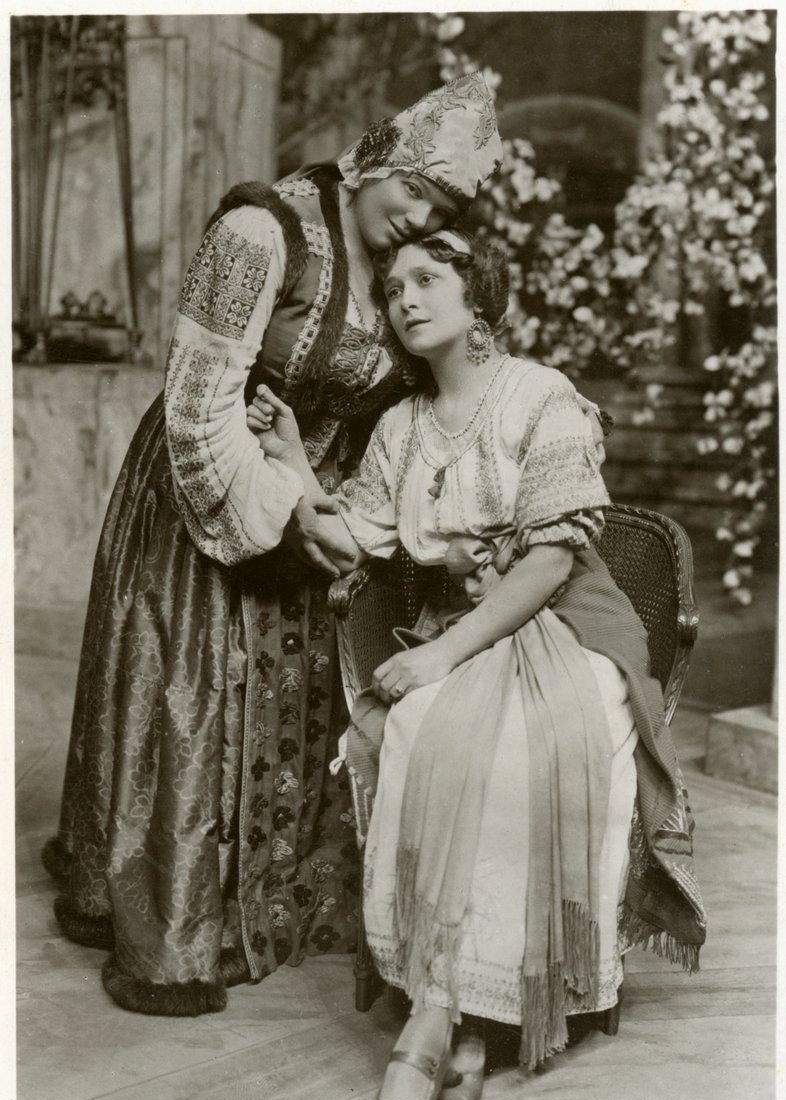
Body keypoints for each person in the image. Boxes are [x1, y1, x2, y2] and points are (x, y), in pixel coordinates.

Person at [42, 73, 505, 1016]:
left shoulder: (406, 267)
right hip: (209, 492)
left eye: (442, 210)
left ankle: (279, 900)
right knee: (191, 696)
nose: (419, 219)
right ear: (373, 158)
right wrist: (288, 513)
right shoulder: (262, 233)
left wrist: (351, 514)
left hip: (323, 502)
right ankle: (175, 920)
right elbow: (199, 401)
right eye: (413, 190)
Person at [246, 228, 706, 1100]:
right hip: (464, 627)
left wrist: (440, 655)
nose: (406, 299)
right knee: (422, 729)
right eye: (393, 287)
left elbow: (549, 563)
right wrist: (292, 459)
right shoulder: (401, 428)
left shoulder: (542, 396)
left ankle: (447, 1020)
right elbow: (348, 538)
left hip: (571, 624)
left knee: (528, 745)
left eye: (429, 279)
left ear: (478, 295)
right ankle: (460, 1021)